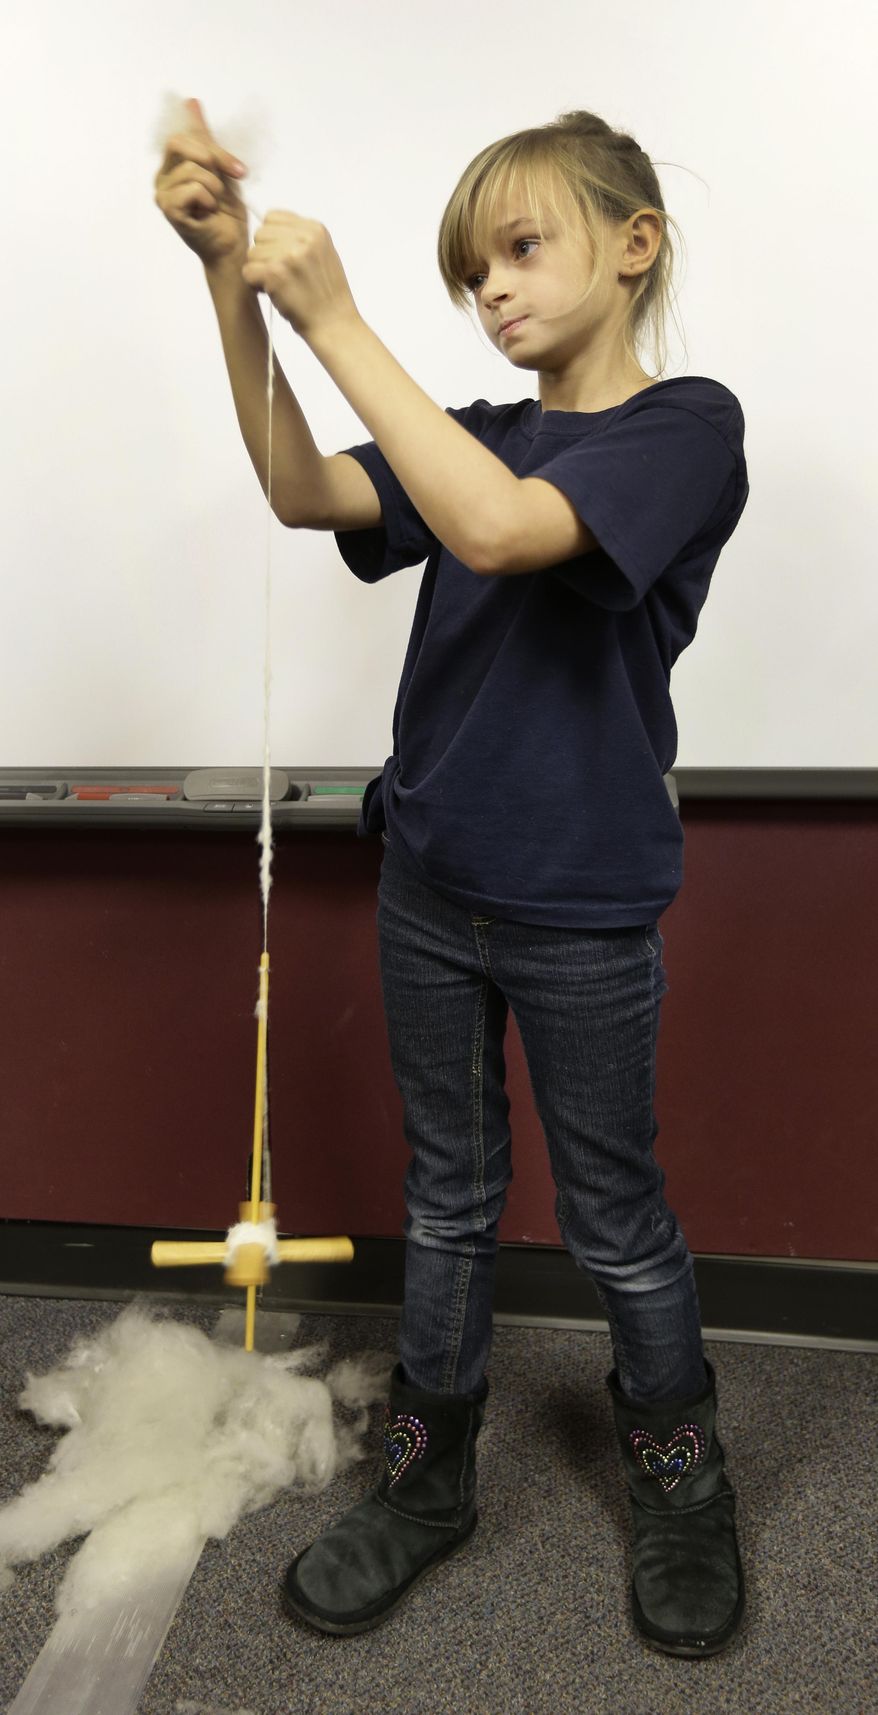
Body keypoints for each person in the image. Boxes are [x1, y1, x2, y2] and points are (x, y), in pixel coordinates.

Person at [155, 99, 749, 1659]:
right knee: (450, 1200)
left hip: (583, 909)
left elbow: (496, 534)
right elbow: (303, 489)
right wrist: (229, 279)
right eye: (470, 271)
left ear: (634, 245)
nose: (489, 289)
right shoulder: (469, 429)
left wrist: (335, 315)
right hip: (429, 888)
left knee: (613, 1216)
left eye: (521, 248)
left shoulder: (683, 431)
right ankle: (428, 1482)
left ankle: (679, 1479)